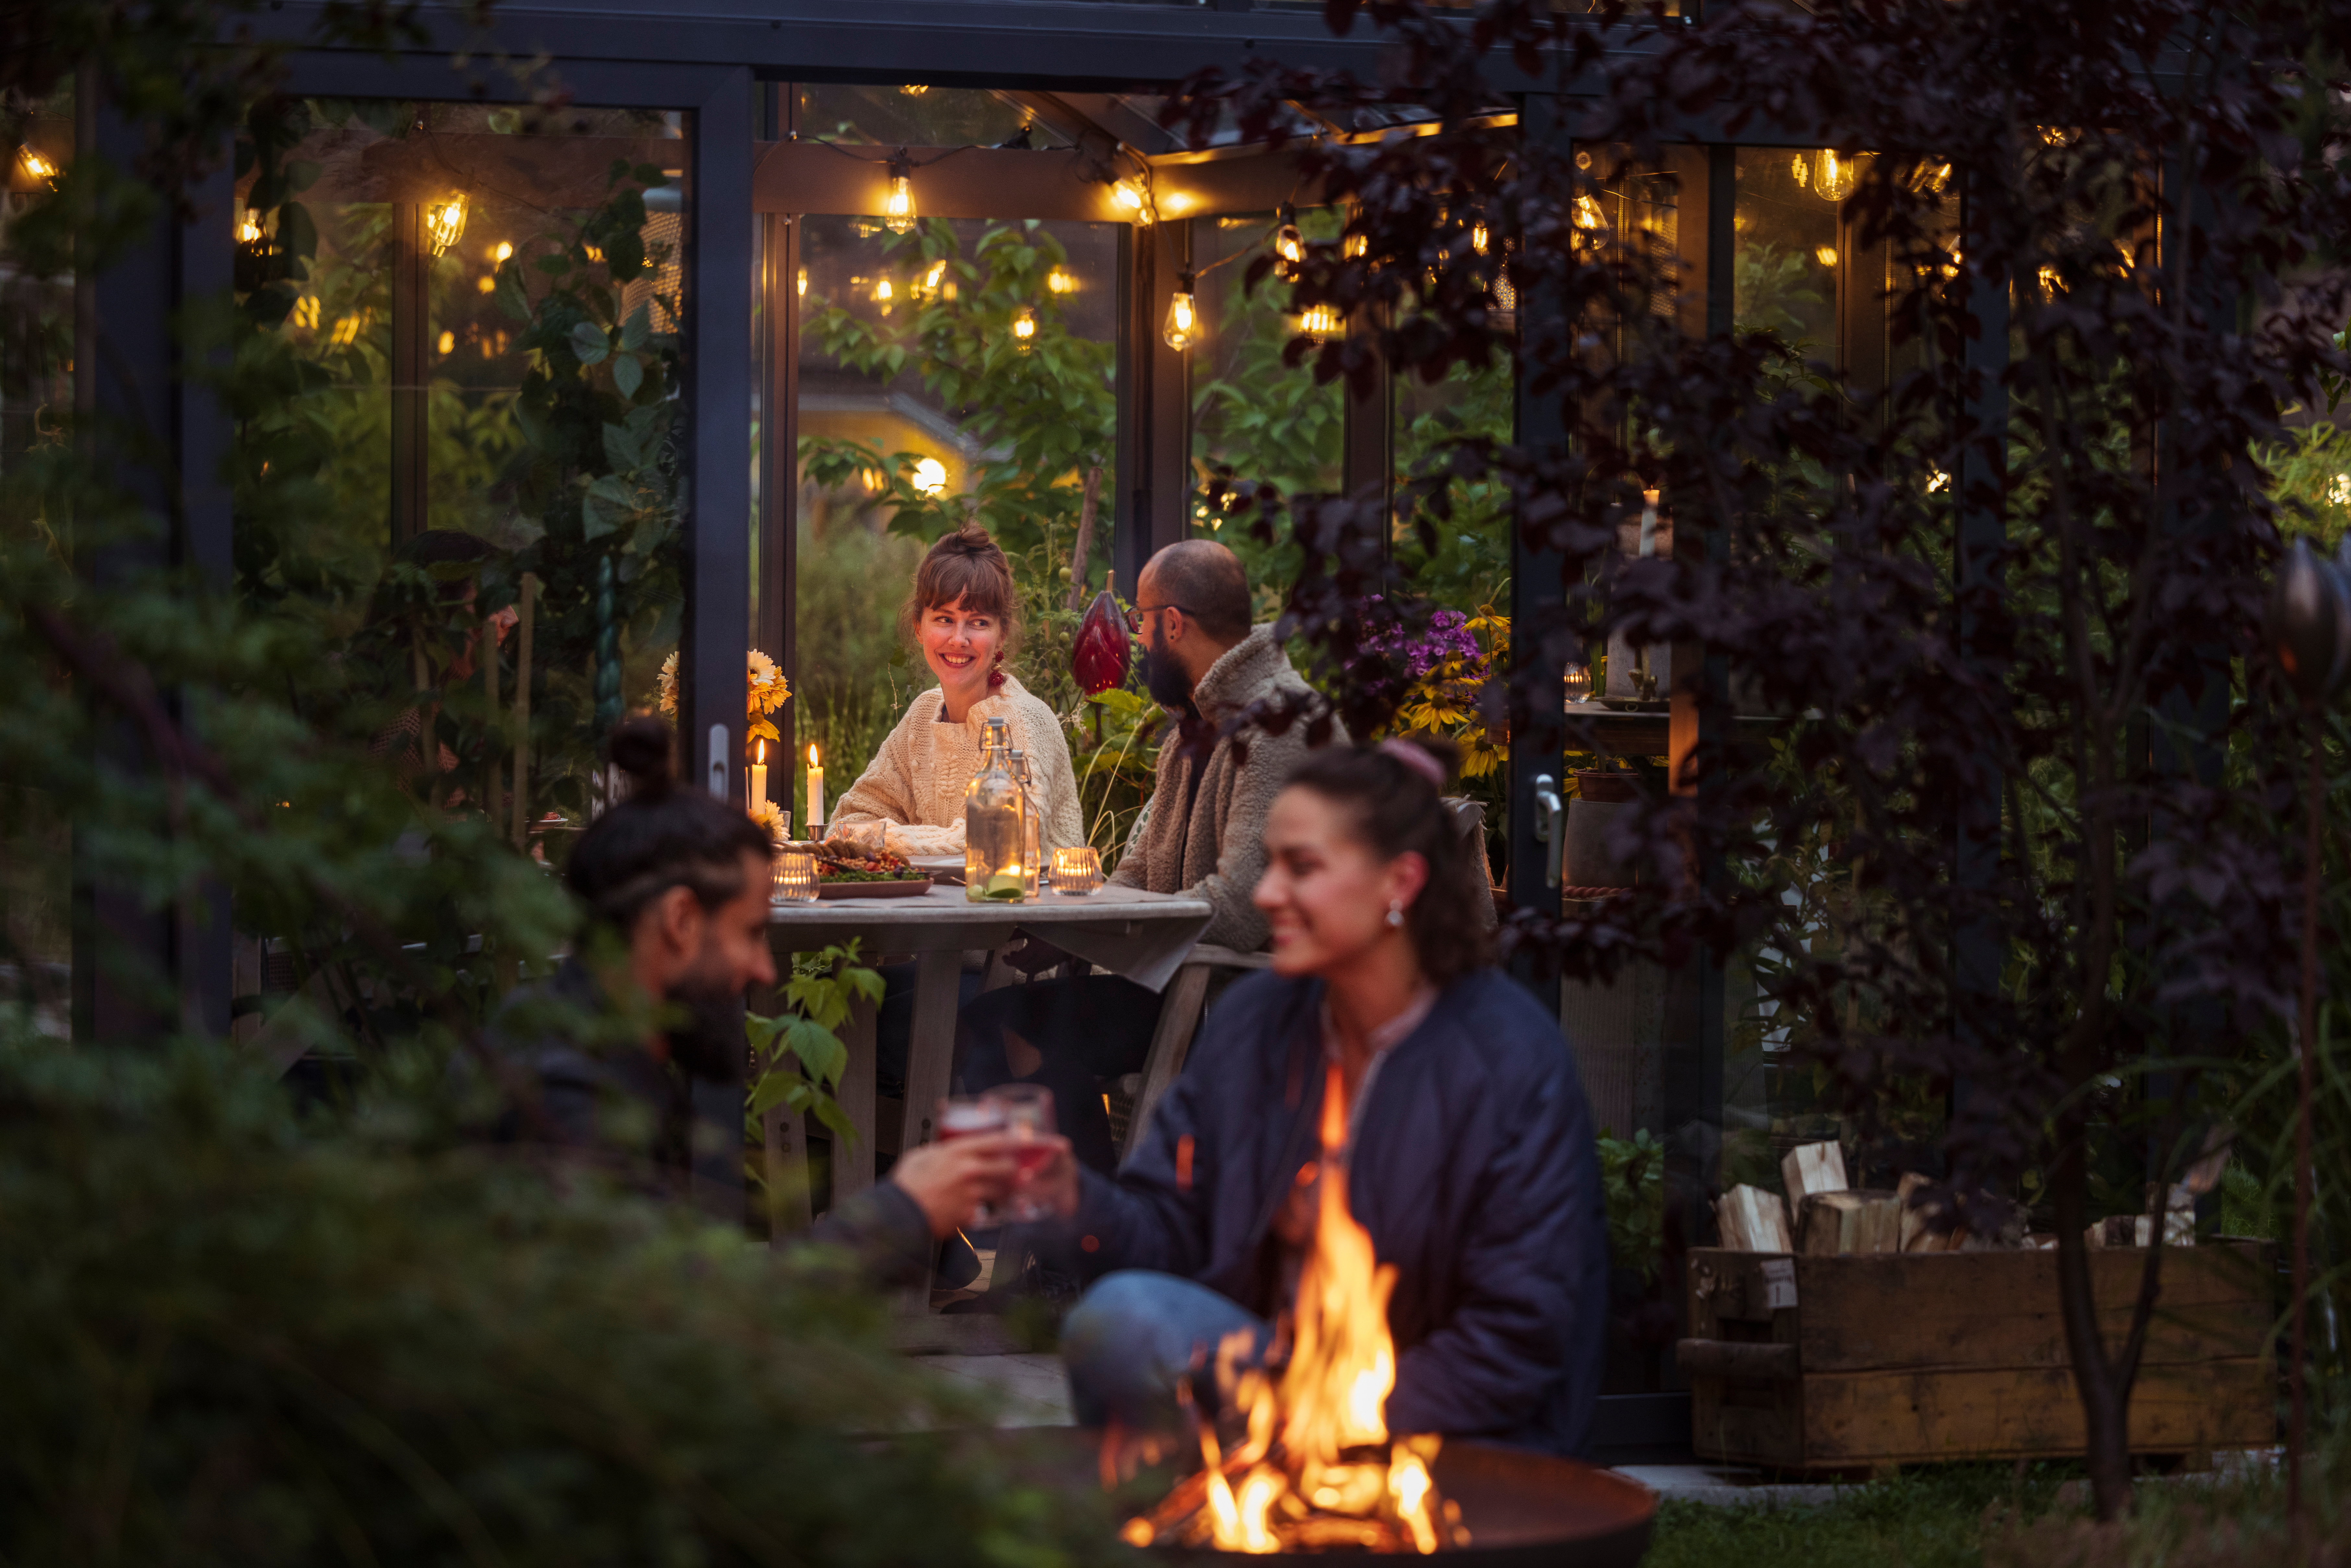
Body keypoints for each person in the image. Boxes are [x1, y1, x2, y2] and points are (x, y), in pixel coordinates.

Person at [1023, 738, 1609, 1456]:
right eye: (1271, 864)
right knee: (1121, 1321)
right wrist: (1073, 1201)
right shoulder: (1257, 1024)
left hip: (1444, 1427)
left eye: (1302, 868)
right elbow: (1169, 1237)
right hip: (1280, 1380)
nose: (1267, 893)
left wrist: (1310, 1411)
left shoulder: (1508, 1060)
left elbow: (1517, 1337)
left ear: (1400, 882)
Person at [486, 715, 1020, 1284]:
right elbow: (695, 1310)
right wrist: (902, 1211)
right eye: (749, 933)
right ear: (681, 920)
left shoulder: (588, 1047)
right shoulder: (567, 1102)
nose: (764, 968)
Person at [955, 538, 1335, 1173]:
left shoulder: (1280, 726)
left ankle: (1087, 1222)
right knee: (991, 1025)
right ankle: (1086, 1219)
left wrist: (1104, 931)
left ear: (1174, 624)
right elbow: (1140, 874)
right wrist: (1070, 933)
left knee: (1009, 1032)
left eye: (1141, 621)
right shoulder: (1194, 729)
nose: (1137, 639)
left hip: (1245, 1001)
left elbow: (1241, 909)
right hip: (1177, 982)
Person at [824, 521, 1081, 858]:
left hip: (1025, 893)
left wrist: (891, 839)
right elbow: (847, 822)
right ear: (919, 626)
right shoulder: (924, 715)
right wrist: (903, 838)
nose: (959, 639)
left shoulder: (1025, 721)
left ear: (1002, 635)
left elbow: (1003, 838)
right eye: (945, 619)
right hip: (940, 894)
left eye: (978, 623)